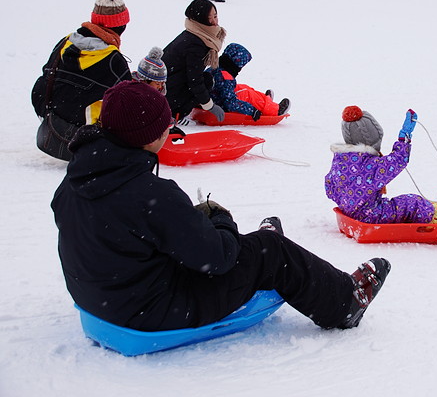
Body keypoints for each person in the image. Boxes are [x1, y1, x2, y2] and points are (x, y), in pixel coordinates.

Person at [53, 81, 391, 332]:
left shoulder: (76, 179)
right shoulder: (148, 195)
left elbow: (122, 233)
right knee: (270, 250)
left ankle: (256, 245)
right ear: (147, 135)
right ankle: (345, 301)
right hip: (151, 311)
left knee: (219, 242)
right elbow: (216, 259)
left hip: (100, 300)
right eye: (163, 126)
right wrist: (221, 219)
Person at [31, 0, 132, 161]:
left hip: (51, 125)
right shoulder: (113, 60)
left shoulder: (65, 42)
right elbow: (130, 102)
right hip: (84, 140)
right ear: (120, 26)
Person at [325, 106, 437, 225]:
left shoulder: (341, 160)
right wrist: (404, 138)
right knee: (411, 202)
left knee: (402, 202)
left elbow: (329, 188)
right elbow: (397, 160)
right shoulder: (369, 165)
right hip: (372, 216)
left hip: (351, 212)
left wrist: (349, 202)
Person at [162, 0, 227, 125]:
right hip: (166, 93)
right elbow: (194, 80)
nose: (214, 21)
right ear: (201, 20)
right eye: (210, 18)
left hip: (168, 87)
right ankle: (176, 114)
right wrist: (210, 106)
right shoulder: (195, 44)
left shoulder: (194, 34)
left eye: (215, 16)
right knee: (206, 81)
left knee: (207, 78)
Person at [208, 43, 290, 118]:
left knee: (242, 87)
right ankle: (275, 110)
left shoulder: (215, 68)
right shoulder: (225, 77)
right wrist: (252, 111)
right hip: (220, 105)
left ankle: (265, 100)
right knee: (247, 94)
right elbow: (230, 103)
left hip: (215, 98)